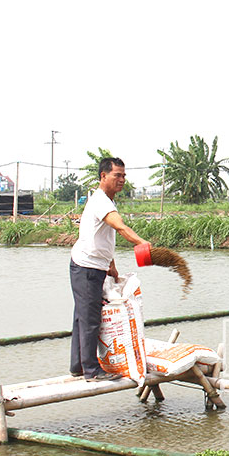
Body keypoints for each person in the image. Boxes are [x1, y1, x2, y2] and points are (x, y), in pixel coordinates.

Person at [70, 157, 149, 382]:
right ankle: (92, 371)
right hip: (86, 266)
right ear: (103, 176)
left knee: (82, 316)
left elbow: (101, 237)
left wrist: (111, 265)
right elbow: (120, 226)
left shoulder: (105, 200)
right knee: (90, 318)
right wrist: (143, 244)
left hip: (92, 264)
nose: (122, 180)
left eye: (124, 175)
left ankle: (78, 366)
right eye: (117, 175)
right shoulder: (101, 201)